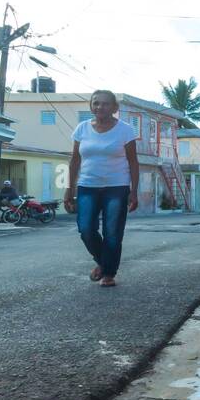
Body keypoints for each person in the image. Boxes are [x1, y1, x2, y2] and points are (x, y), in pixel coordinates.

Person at [64, 90, 139, 287]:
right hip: (87, 186)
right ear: (91, 106)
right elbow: (74, 161)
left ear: (114, 108)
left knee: (112, 232)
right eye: (96, 103)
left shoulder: (125, 130)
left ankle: (109, 274)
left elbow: (133, 162)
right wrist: (68, 189)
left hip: (117, 186)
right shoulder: (82, 129)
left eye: (105, 104)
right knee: (86, 229)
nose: (100, 107)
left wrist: (134, 191)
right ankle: (103, 263)